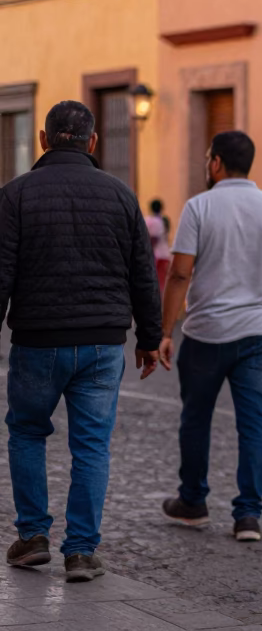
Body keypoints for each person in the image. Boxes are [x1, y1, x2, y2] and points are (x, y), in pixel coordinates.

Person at [0, 101, 162, 582]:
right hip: (102, 344)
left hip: (36, 342)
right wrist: (149, 338)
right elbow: (143, 276)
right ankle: (81, 551)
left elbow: (0, 275)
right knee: (92, 446)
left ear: (44, 141)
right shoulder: (121, 195)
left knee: (27, 433)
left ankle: (32, 538)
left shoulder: (14, 196)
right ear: (92, 143)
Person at [157, 131, 262, 543]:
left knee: (196, 418)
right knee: (254, 423)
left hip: (207, 332)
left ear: (216, 162)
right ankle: (248, 516)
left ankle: (193, 501)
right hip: (260, 332)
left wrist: (165, 331)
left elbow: (180, 273)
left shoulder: (199, 207)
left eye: (208, 159)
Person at [147, 199, 172, 294]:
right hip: (164, 255)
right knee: (162, 282)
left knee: (156, 282)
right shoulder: (164, 220)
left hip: (156, 255)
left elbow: (153, 238)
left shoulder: (151, 220)